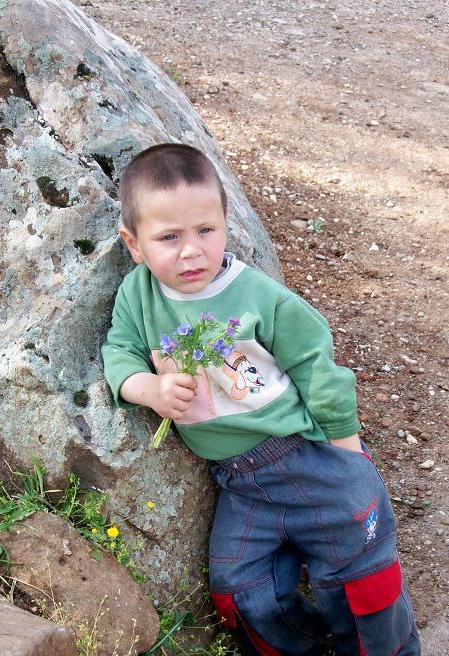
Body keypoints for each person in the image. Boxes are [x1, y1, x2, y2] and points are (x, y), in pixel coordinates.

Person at [102, 143, 420, 656]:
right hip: (240, 483)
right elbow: (119, 352)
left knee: (362, 582)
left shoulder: (258, 295)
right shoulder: (139, 296)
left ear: (226, 222)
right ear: (134, 244)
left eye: (206, 230)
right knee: (239, 592)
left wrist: (350, 456)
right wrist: (152, 391)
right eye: (168, 237)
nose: (191, 250)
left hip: (306, 458)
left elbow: (318, 367)